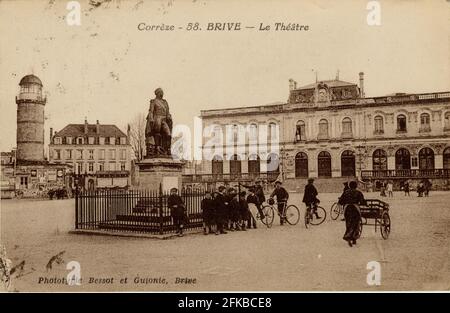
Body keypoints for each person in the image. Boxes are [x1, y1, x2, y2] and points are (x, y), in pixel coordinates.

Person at [338, 181, 366, 247]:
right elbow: (362, 201)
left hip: (347, 209)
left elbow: (340, 201)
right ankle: (353, 237)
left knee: (348, 223)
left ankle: (349, 236)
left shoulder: (346, 192)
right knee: (356, 224)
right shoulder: (358, 192)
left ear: (349, 186)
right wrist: (364, 204)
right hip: (355, 209)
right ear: (356, 186)